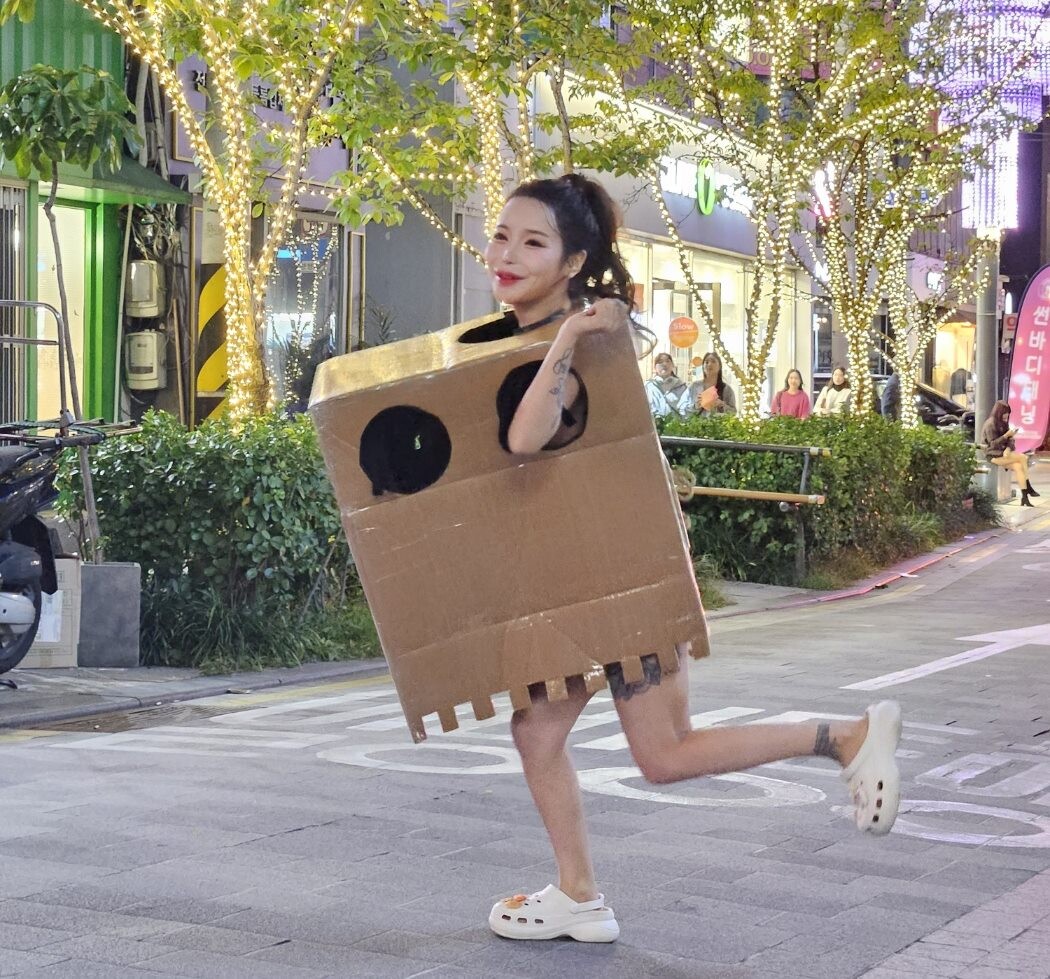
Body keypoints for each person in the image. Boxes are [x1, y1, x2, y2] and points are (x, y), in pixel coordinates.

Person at [485, 173, 903, 944]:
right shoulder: (539, 332)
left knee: (664, 753)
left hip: (625, 581)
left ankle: (845, 736)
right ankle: (577, 893)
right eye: (502, 235)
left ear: (572, 260)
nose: (506, 254)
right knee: (538, 733)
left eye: (532, 241)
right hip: (596, 579)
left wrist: (570, 337)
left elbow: (524, 438)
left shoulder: (584, 336)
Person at [982, 400, 1038, 507]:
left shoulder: (1003, 423)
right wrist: (1006, 436)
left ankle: (1024, 497)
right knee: (1023, 458)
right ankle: (1028, 486)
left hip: (1003, 453)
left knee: (1018, 466)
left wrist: (1008, 447)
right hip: (992, 455)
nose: (1006, 417)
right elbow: (992, 444)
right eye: (1004, 414)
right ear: (999, 412)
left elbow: (1011, 440)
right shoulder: (990, 424)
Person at [686, 350, 737, 416]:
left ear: (719, 366)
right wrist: (696, 406)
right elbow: (684, 409)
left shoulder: (726, 389)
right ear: (703, 367)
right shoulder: (694, 386)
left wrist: (722, 405)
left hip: (718, 425)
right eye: (706, 362)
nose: (709, 364)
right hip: (697, 425)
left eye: (713, 361)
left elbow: (733, 413)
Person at [644, 351, 690, 418]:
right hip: (654, 425)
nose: (664, 364)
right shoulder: (649, 386)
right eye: (660, 362)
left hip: (676, 425)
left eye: (667, 361)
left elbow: (686, 407)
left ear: (672, 365)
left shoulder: (681, 386)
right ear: (654, 367)